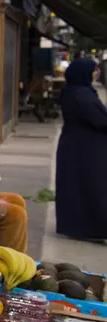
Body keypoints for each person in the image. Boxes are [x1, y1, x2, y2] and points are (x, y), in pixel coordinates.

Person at [55, 57, 107, 241]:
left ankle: (78, 226)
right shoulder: (82, 95)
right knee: (92, 187)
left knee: (77, 187)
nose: (96, 73)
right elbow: (101, 120)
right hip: (86, 149)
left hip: (76, 145)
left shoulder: (72, 91)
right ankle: (92, 228)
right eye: (94, 70)